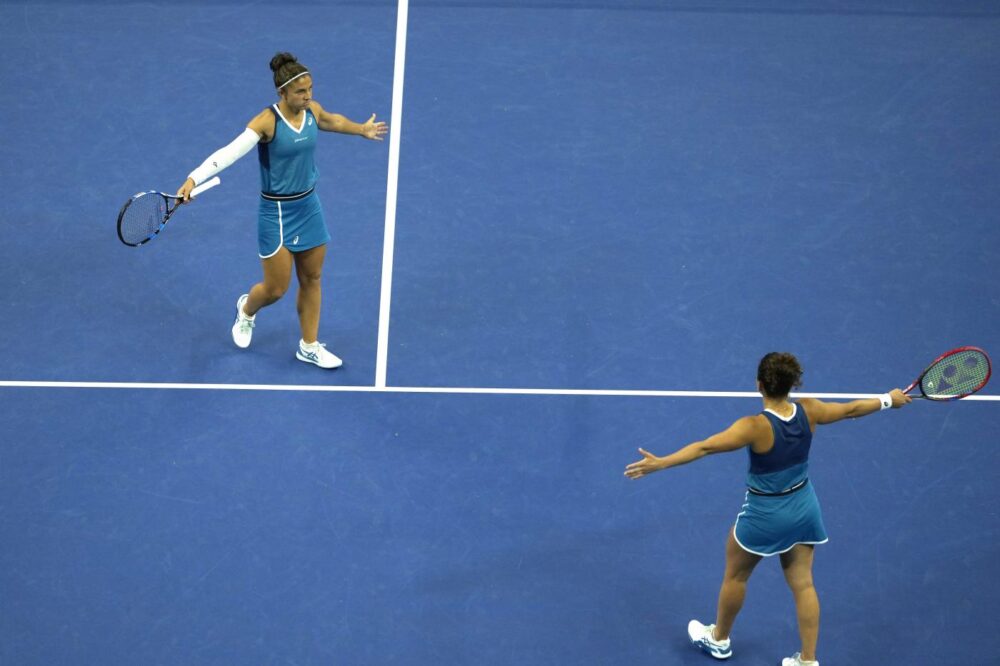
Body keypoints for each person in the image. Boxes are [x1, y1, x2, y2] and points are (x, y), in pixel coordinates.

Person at [624, 352, 910, 666]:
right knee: (804, 584)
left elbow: (705, 446)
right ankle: (808, 661)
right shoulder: (810, 410)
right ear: (793, 385)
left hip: (764, 516)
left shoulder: (754, 427)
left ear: (759, 385)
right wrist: (887, 399)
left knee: (736, 576)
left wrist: (661, 462)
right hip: (804, 508)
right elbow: (851, 409)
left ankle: (719, 640)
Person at [176, 52, 387, 369]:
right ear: (282, 93)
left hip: (309, 206)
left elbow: (331, 120)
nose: (308, 96)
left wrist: (361, 129)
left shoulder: (311, 110)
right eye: (301, 91)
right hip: (275, 213)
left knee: (313, 277)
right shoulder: (267, 122)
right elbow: (229, 153)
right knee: (276, 289)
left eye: (310, 89)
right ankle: (247, 309)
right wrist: (194, 178)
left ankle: (309, 345)